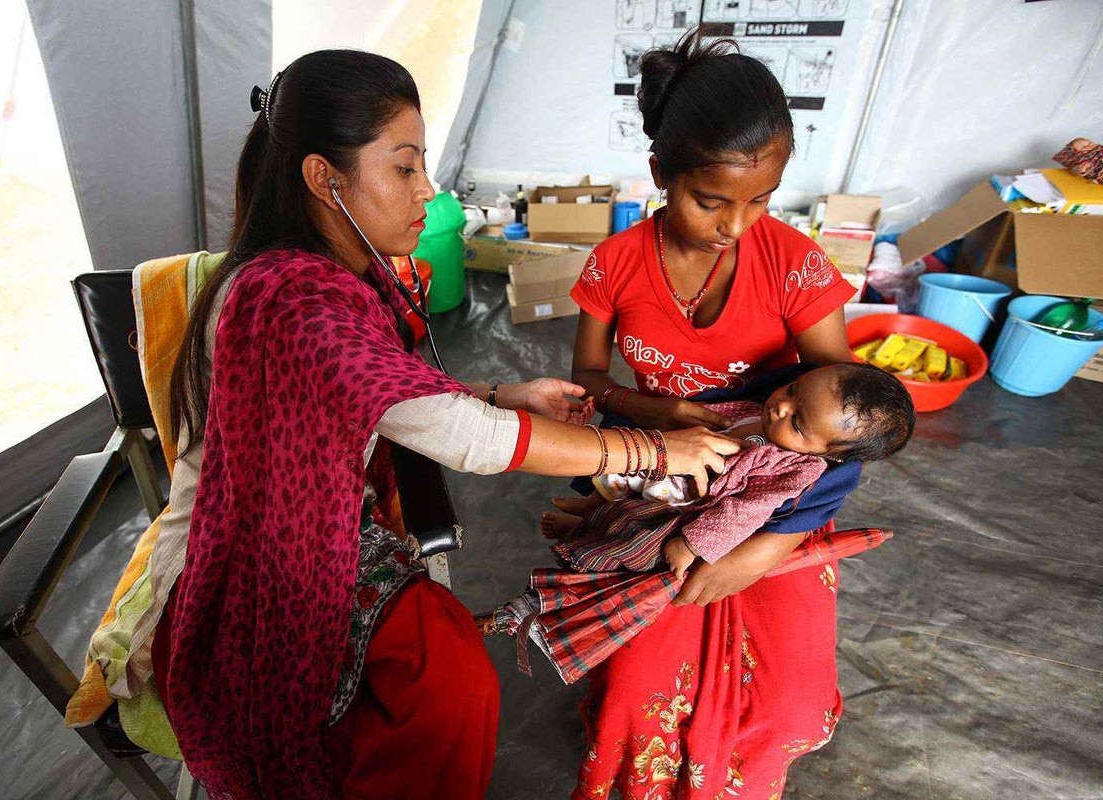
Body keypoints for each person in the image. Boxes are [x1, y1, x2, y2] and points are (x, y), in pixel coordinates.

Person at [141, 50, 737, 800]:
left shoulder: (331, 277)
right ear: (326, 179)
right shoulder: (291, 299)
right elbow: (462, 437)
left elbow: (374, 393)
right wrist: (652, 449)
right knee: (447, 684)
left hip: (315, 516)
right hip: (253, 547)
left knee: (445, 676)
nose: (429, 190)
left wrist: (503, 390)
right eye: (404, 168)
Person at [561, 32, 867, 799]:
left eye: (761, 200)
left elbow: (848, 425)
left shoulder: (794, 265)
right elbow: (588, 380)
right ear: (662, 173)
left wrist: (766, 548)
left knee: (788, 690)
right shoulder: (615, 265)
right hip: (660, 486)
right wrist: (661, 411)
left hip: (780, 497)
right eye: (711, 201)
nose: (738, 226)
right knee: (640, 689)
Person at [544, 363, 914, 580]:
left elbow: (744, 511)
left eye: (798, 423)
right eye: (792, 390)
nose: (780, 409)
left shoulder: (795, 471)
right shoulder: (758, 410)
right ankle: (586, 510)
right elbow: (716, 417)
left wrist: (693, 545)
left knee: (637, 534)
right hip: (672, 465)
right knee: (622, 473)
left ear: (828, 456)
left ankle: (581, 535)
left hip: (692, 504)